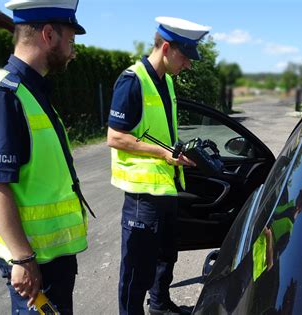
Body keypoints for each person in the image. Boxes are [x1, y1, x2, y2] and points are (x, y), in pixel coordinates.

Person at [0, 0, 92, 313]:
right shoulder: (2, 97)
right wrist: (22, 258)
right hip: (35, 267)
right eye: (71, 40)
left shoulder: (31, 90)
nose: (74, 51)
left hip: (51, 262)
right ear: (49, 35)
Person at [107, 16, 210, 315]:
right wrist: (163, 154)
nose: (188, 65)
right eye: (186, 57)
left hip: (166, 186)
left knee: (166, 255)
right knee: (137, 268)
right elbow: (115, 138)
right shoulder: (132, 80)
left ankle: (160, 305)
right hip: (142, 193)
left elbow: (162, 132)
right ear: (166, 48)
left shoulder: (165, 81)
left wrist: (178, 154)